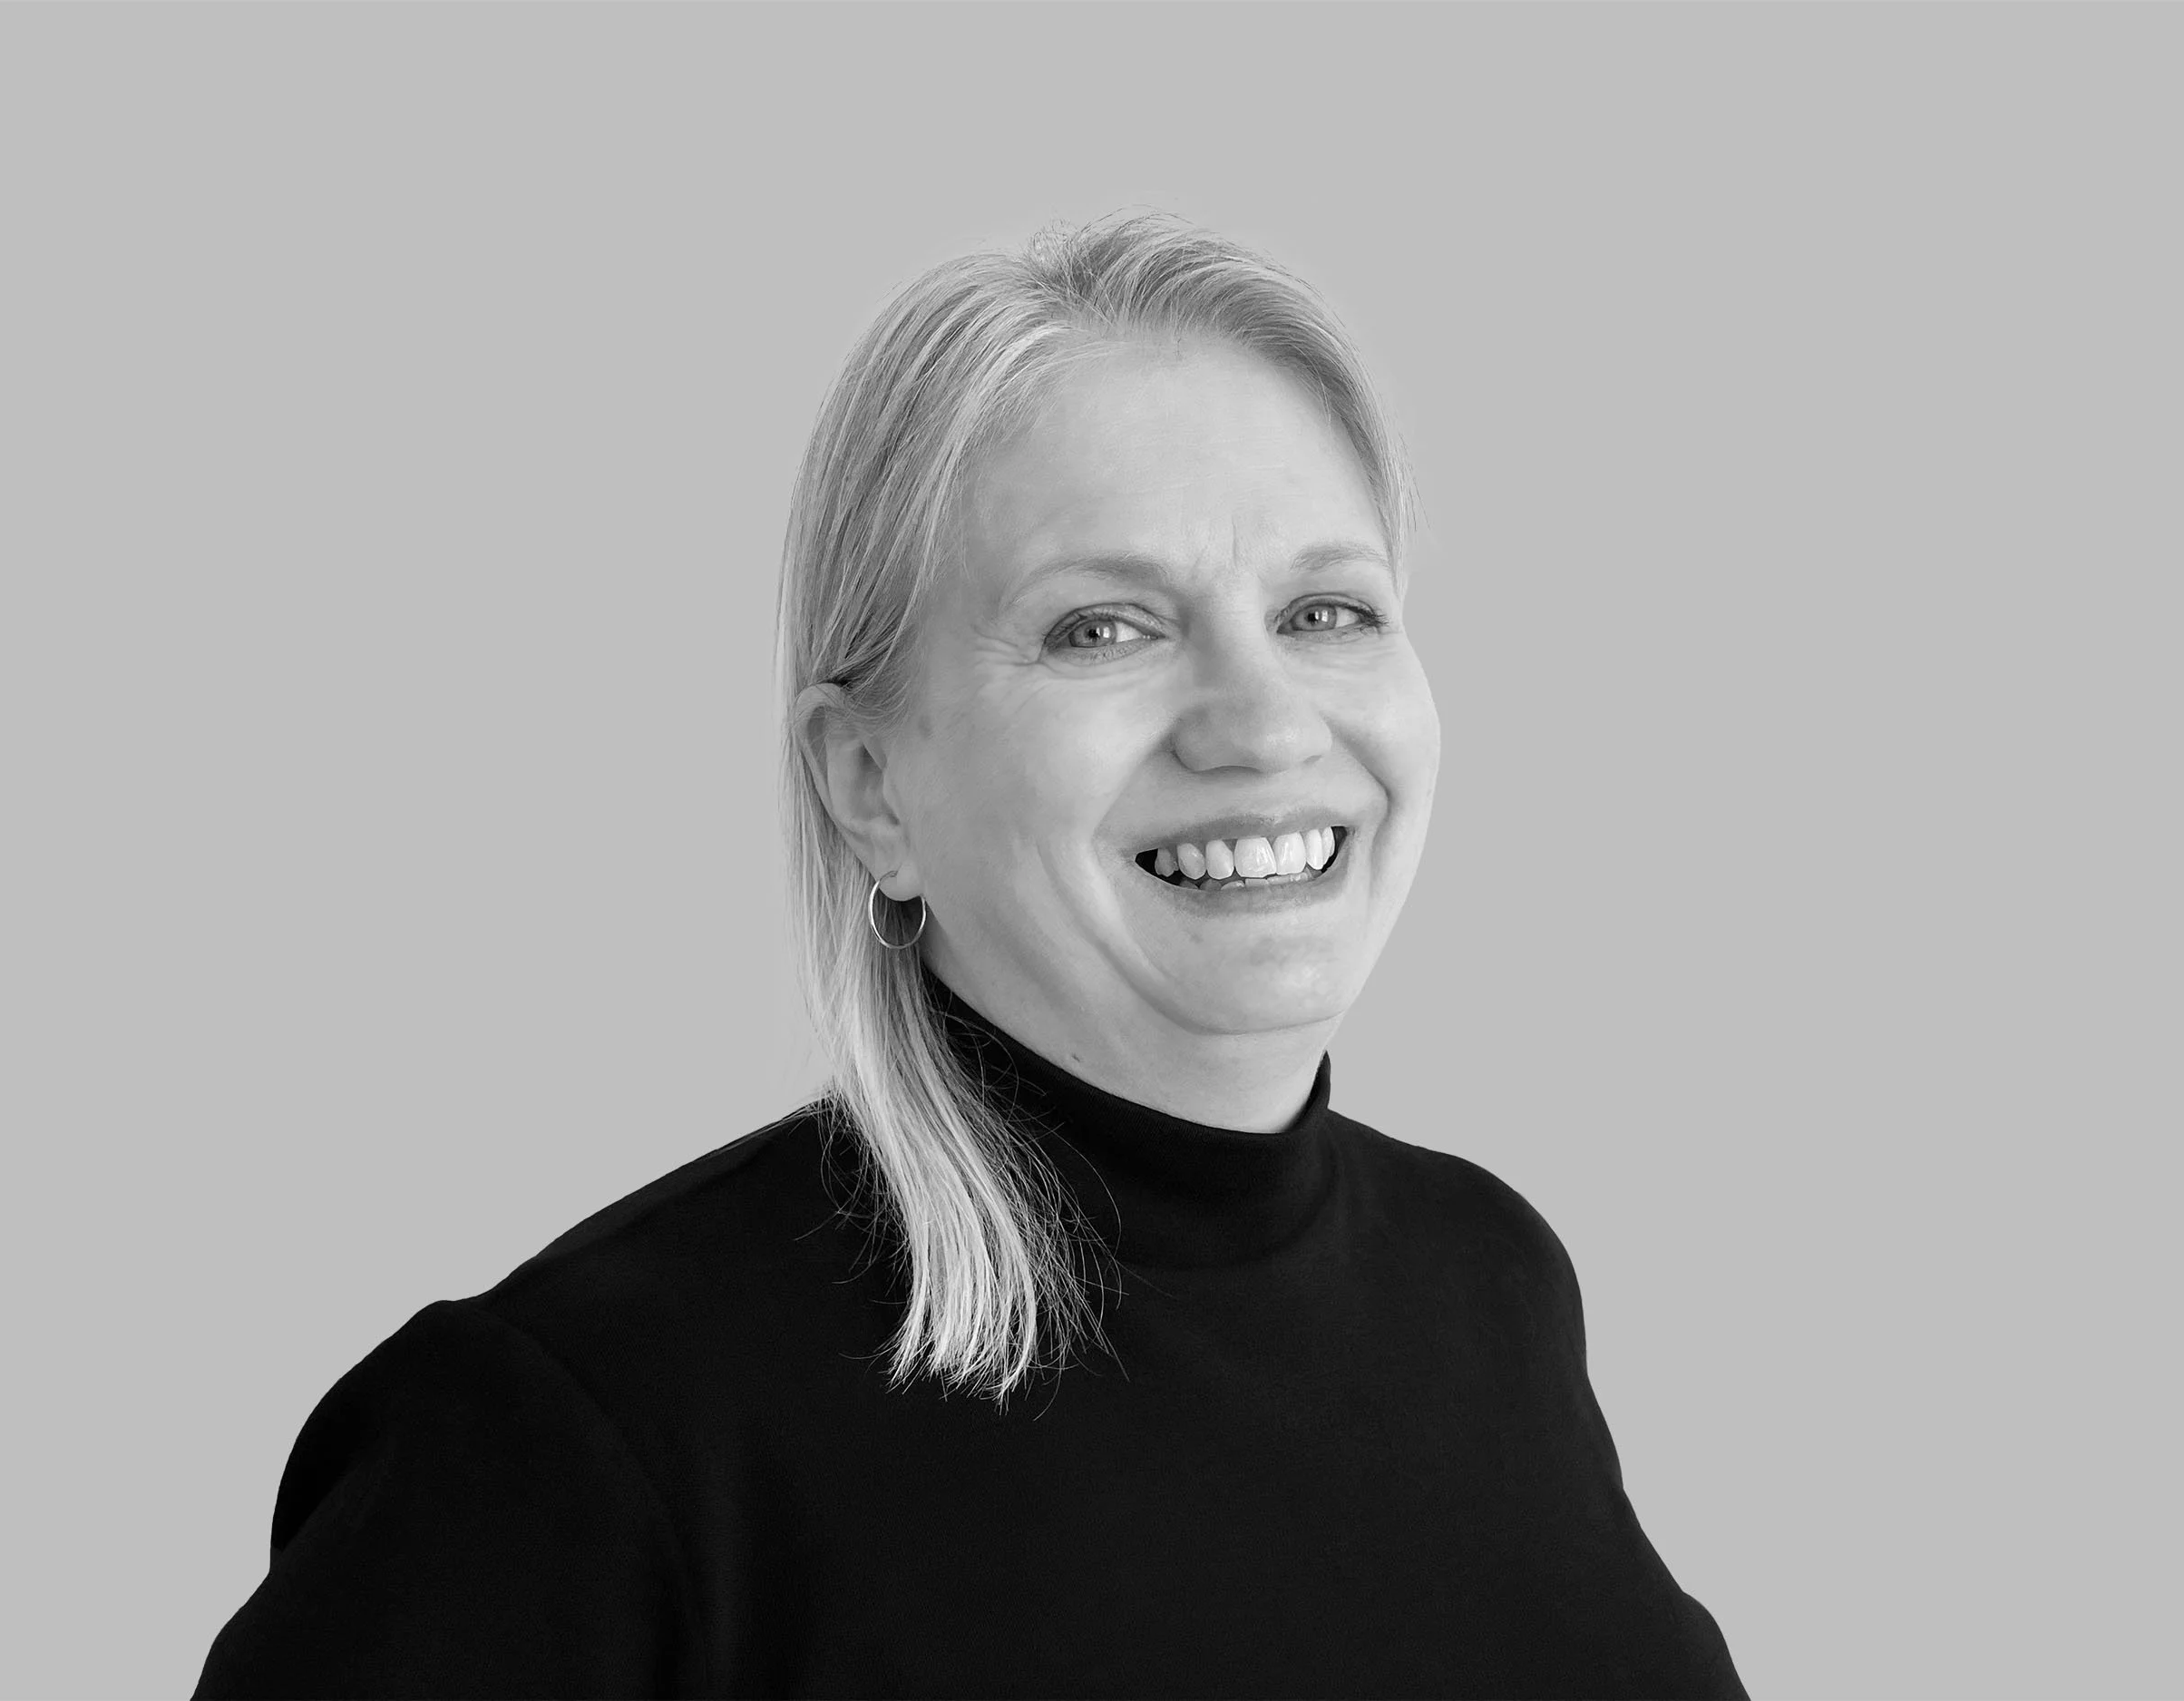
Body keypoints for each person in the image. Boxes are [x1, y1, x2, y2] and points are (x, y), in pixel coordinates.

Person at [196, 211, 1747, 1699]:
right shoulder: (581, 1432)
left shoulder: (1491, 1279)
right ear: (871, 785)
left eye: (1327, 610)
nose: (1264, 724)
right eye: (1103, 628)